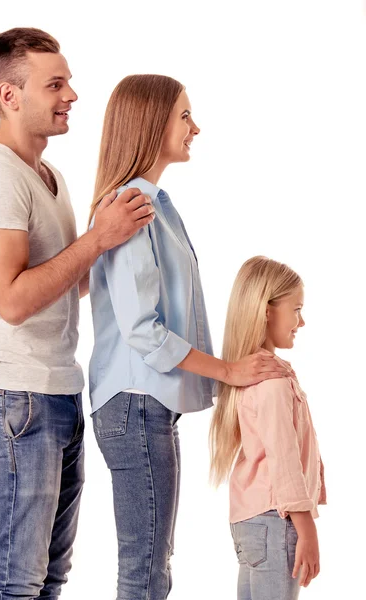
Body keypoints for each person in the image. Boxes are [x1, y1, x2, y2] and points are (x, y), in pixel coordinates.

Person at [0, 28, 154, 600]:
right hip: (16, 398)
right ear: (9, 96)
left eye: (68, 81)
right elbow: (14, 301)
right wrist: (97, 239)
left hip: (58, 394)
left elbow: (71, 281)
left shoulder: (50, 178)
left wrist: (119, 244)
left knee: (48, 579)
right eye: (56, 83)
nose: (71, 94)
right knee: (15, 581)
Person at [87, 74, 289, 600]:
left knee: (154, 563)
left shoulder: (159, 204)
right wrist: (228, 371)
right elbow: (143, 332)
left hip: (149, 407)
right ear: (152, 123)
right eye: (184, 116)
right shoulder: (132, 205)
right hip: (134, 405)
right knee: (146, 568)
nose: (195, 127)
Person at [210, 256, 327, 600]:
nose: (301, 321)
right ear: (266, 310)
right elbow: (284, 457)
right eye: (296, 309)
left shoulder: (250, 375)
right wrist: (307, 531)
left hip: (251, 522)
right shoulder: (273, 379)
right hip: (275, 520)